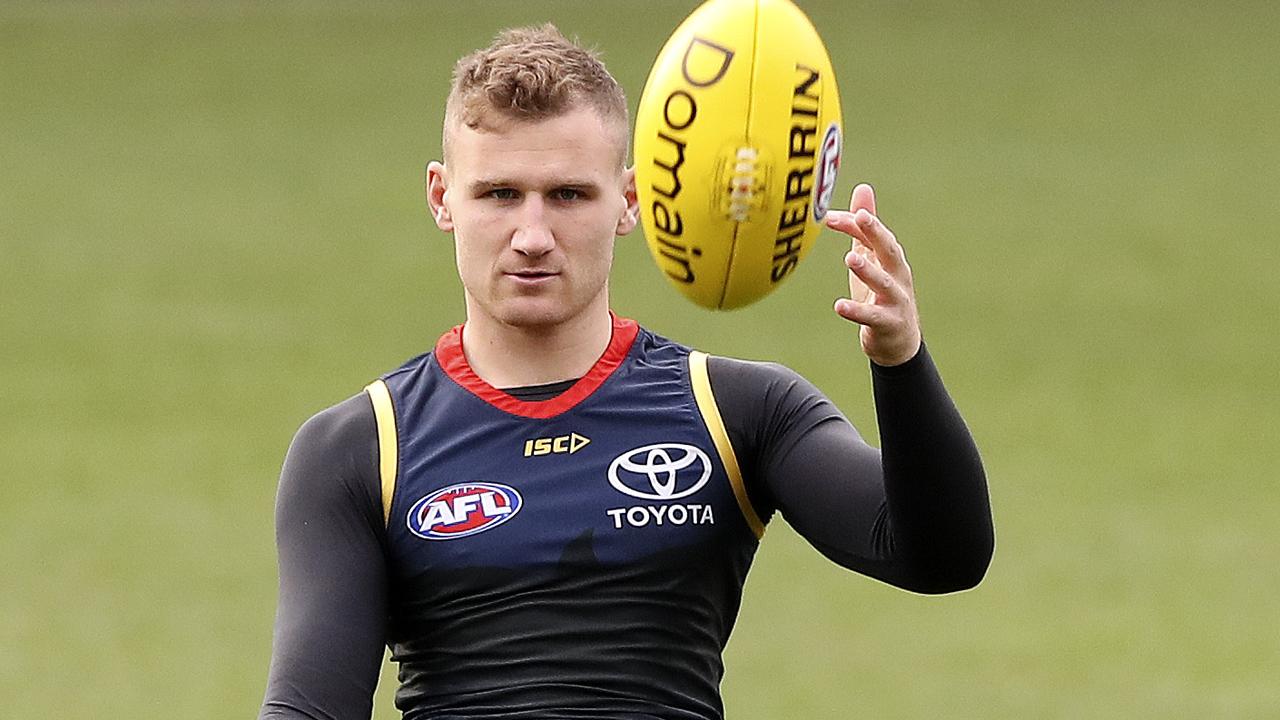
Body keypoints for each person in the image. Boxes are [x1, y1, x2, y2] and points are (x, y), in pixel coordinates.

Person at [259, 24, 993, 720]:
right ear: (441, 197)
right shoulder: (360, 450)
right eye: (500, 193)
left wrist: (901, 361)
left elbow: (941, 556)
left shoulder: (735, 409)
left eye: (569, 194)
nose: (533, 235)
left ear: (631, 202)